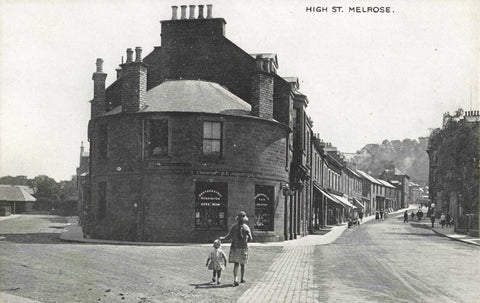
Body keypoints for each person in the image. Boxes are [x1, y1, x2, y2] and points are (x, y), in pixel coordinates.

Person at [219, 211, 253, 286]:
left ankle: (235, 279)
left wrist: (223, 238)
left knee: (236, 264)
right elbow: (251, 238)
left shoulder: (234, 227)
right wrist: (247, 237)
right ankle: (242, 278)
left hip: (235, 247)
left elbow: (228, 237)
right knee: (243, 264)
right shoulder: (246, 227)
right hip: (243, 248)